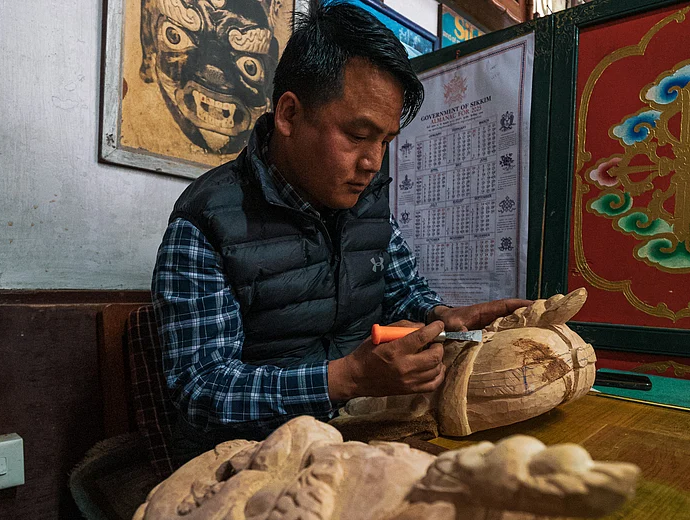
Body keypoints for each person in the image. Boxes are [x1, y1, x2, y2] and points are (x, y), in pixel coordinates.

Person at [151, 1, 531, 465]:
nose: (372, 163)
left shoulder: (365, 200)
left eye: (385, 141)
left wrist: (443, 316)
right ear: (289, 114)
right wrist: (345, 379)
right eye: (357, 135)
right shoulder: (204, 222)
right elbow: (201, 388)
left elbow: (402, 290)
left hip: (356, 431)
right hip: (249, 456)